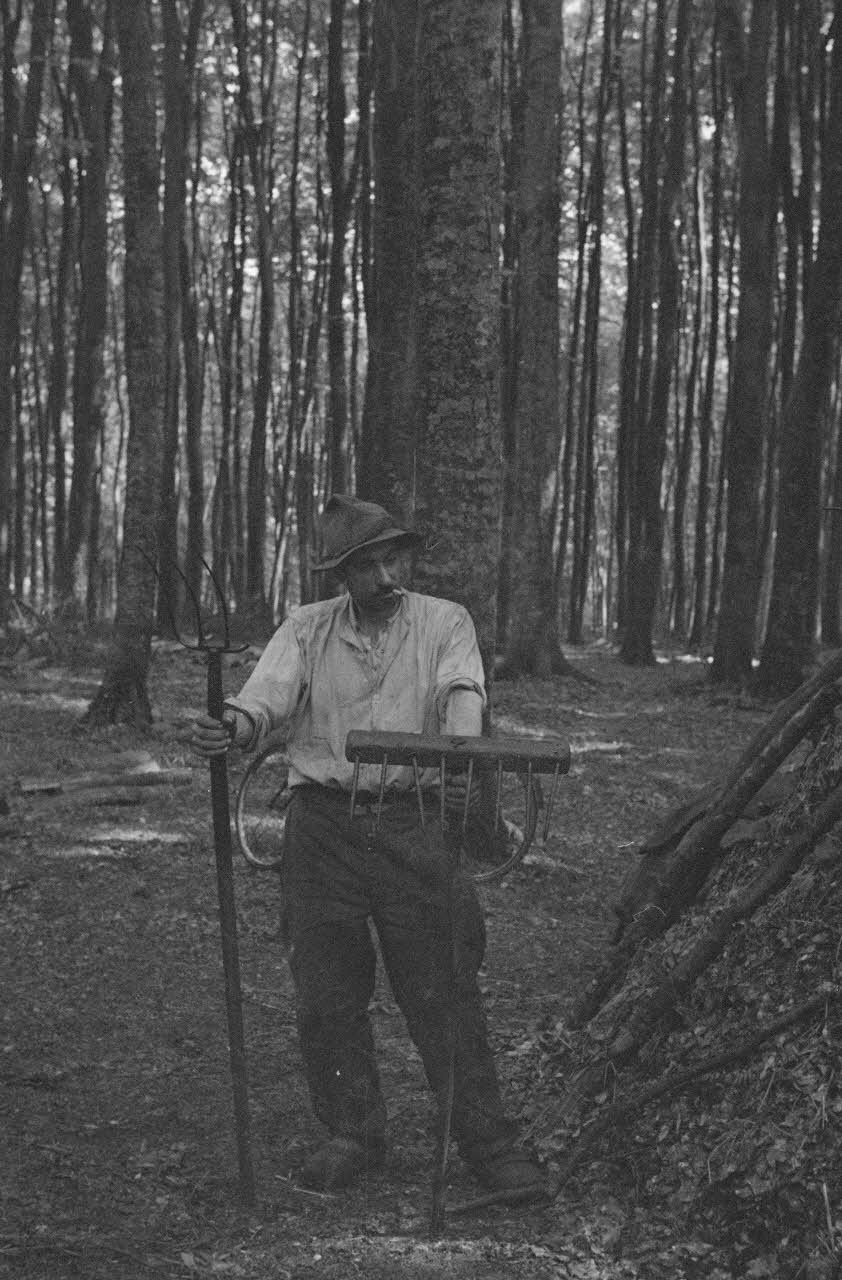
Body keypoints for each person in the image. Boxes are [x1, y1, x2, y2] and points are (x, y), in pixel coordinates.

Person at [192, 494, 544, 1200]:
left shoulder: (444, 621)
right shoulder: (308, 629)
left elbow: (460, 693)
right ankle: (352, 1133)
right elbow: (265, 698)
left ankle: (486, 1145)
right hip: (322, 829)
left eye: (393, 559)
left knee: (442, 988)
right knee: (327, 995)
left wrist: (458, 752)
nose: (387, 577)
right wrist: (230, 726)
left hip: (413, 824)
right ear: (340, 576)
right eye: (368, 566)